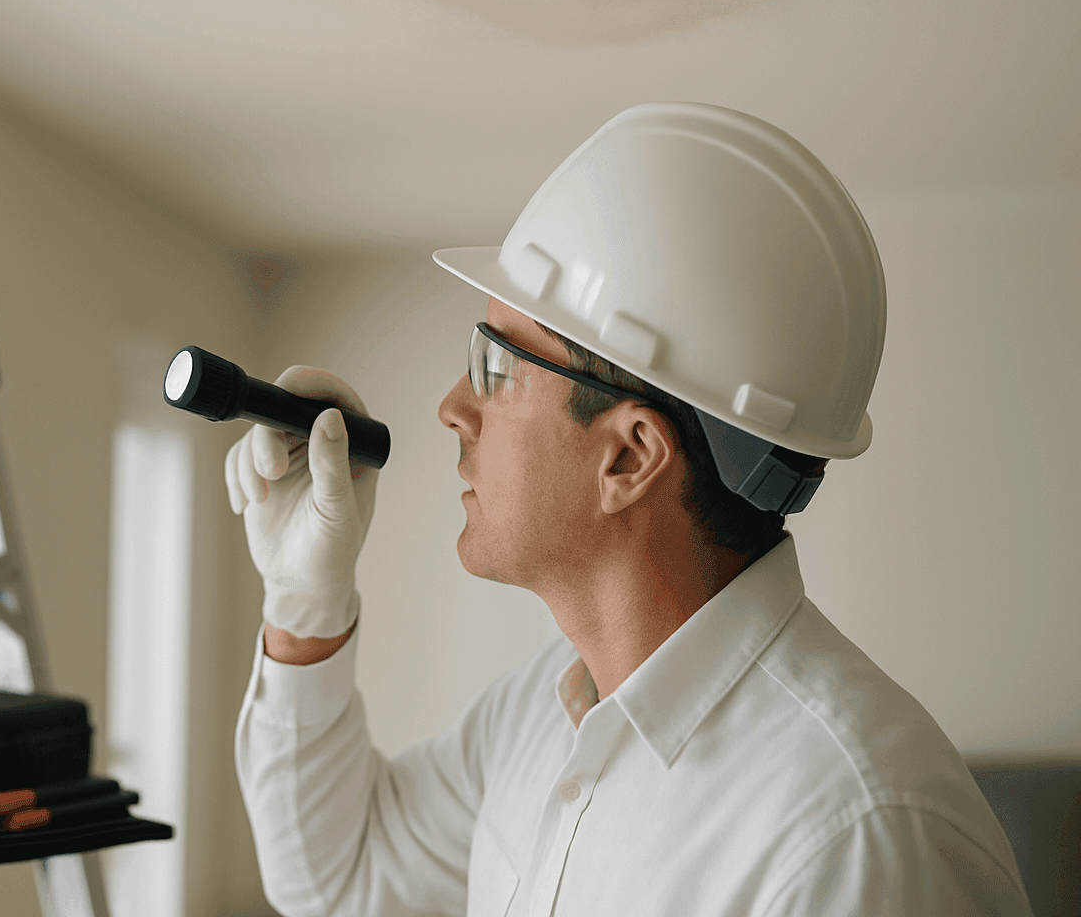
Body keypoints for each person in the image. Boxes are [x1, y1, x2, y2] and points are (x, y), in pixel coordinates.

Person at [228, 103, 1032, 916]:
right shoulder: (547, 708)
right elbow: (340, 878)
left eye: (496, 366)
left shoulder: (852, 837)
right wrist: (306, 606)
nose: (452, 408)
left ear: (630, 455)